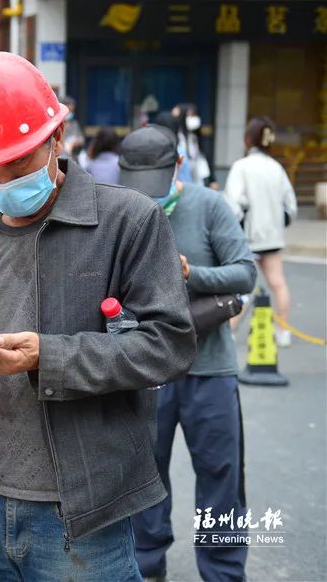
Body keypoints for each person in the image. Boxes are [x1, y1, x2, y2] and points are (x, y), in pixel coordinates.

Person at [0, 52, 196, 581]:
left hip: (84, 512)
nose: (1, 182)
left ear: (57, 139)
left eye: (16, 164)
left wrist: (50, 355)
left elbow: (168, 344)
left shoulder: (128, 223)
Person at [119, 125, 256, 582]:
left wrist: (190, 273)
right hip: (147, 369)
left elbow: (245, 272)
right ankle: (145, 568)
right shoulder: (121, 211)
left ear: (177, 166)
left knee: (221, 478)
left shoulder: (208, 206)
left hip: (210, 370)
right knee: (145, 480)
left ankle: (223, 572)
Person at [223, 116, 298, 347]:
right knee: (278, 283)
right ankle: (283, 332)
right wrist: (278, 223)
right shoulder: (277, 168)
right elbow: (291, 206)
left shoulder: (241, 166)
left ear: (248, 139)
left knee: (241, 287)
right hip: (272, 238)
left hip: (247, 237)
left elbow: (232, 204)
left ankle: (230, 333)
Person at [172, 103, 210, 186]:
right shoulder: (176, 135)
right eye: (190, 115)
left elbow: (201, 157)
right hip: (179, 178)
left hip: (195, 177)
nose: (194, 119)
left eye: (195, 115)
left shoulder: (195, 136)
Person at [60, 95, 86, 166]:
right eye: (69, 110)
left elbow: (81, 139)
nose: (70, 113)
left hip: (74, 159)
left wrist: (76, 142)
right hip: (61, 159)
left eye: (72, 111)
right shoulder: (57, 125)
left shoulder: (74, 124)